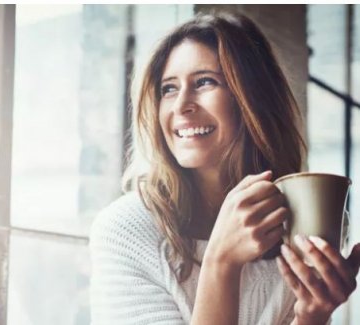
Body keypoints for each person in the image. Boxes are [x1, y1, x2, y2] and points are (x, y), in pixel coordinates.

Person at [89, 11, 360, 325]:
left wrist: (312, 316)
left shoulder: (301, 224)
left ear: (252, 99)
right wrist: (221, 262)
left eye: (204, 82)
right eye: (169, 89)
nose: (181, 106)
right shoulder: (125, 230)